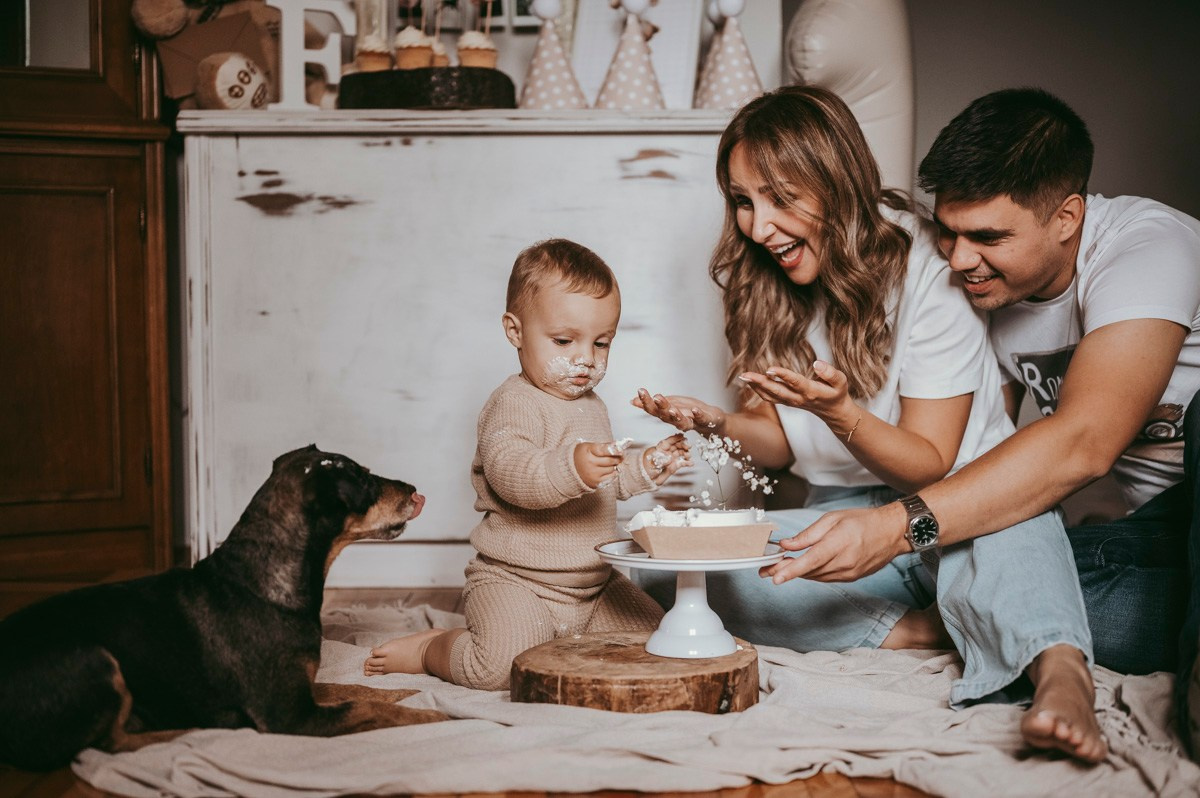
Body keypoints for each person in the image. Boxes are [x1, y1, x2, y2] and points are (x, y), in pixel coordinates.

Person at [632, 85, 1107, 762]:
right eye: (743, 201)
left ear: (832, 182)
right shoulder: (761, 280)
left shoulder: (927, 268)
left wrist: (841, 413)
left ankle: (1060, 675)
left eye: (778, 197)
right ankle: (916, 630)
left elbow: (929, 463)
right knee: (672, 573)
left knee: (1018, 523)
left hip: (959, 504)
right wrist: (720, 424)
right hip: (843, 514)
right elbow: (777, 444)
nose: (758, 226)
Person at [756, 86, 1200, 759]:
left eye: (988, 236)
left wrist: (895, 527)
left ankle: (1037, 646)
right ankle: (1006, 633)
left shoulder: (1147, 247)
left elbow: (1082, 445)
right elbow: (975, 466)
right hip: (1134, 547)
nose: (959, 259)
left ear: (1067, 217)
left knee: (1008, 530)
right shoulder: (985, 287)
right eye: (948, 231)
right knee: (754, 567)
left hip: (1189, 517)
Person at [364, 238, 691, 690]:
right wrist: (571, 467)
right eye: (563, 340)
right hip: (517, 582)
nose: (585, 359)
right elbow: (512, 473)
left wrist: (645, 466)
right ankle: (432, 648)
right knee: (499, 667)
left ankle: (575, 636)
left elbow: (603, 482)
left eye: (602, 343)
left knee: (663, 641)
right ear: (515, 331)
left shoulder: (591, 405)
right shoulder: (513, 403)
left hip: (594, 586)